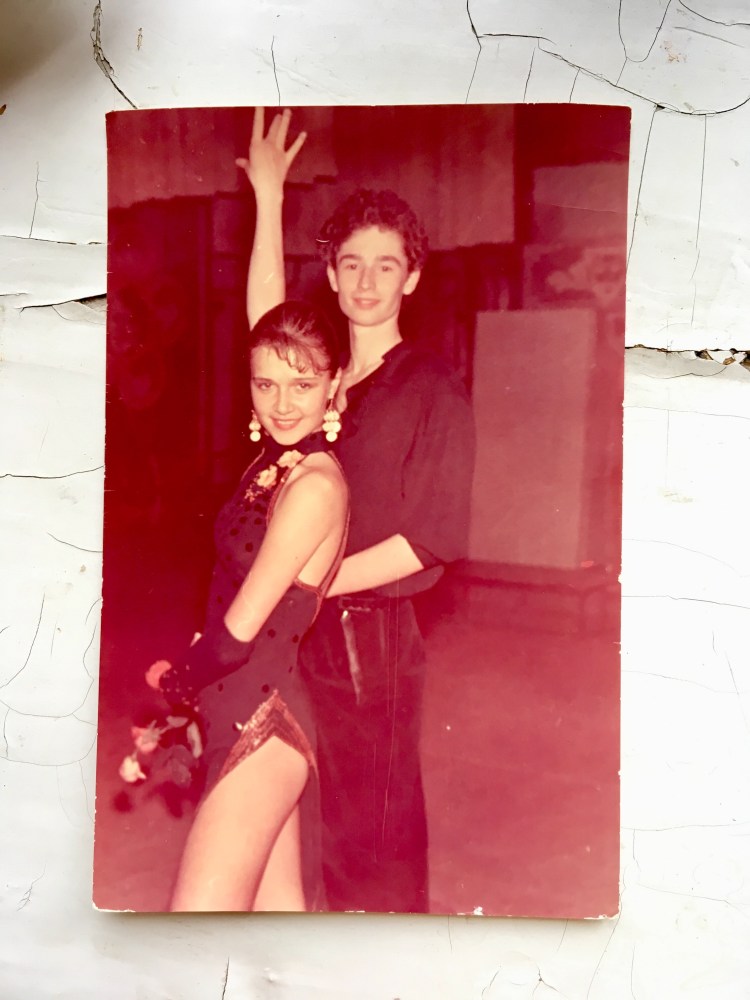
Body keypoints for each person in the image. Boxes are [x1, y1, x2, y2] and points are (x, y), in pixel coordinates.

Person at [239, 108, 475, 913]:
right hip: (296, 635)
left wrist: (305, 587)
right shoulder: (321, 377)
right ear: (333, 275)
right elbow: (266, 327)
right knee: (294, 834)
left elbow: (429, 541)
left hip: (368, 644)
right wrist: (269, 196)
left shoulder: (430, 386)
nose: (367, 282)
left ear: (412, 277)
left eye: (386, 264)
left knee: (371, 847)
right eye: (351, 263)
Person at [145, 298, 349, 912]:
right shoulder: (276, 466)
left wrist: (172, 687)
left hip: (262, 725)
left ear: (334, 383)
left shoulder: (314, 486)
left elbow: (236, 636)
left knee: (194, 927)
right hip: (240, 713)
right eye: (266, 384)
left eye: (302, 384)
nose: (281, 404)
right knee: (275, 923)